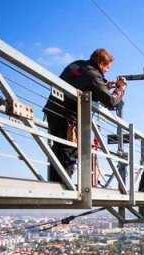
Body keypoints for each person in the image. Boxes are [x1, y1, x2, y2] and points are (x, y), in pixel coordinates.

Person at [43, 48, 127, 183]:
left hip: (53, 110)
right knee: (69, 149)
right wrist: (120, 90)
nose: (107, 70)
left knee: (58, 147)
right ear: (101, 63)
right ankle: (63, 184)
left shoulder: (77, 64)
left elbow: (82, 83)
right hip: (69, 117)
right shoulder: (93, 74)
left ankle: (55, 181)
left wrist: (104, 86)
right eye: (107, 67)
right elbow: (110, 101)